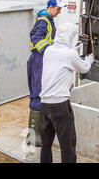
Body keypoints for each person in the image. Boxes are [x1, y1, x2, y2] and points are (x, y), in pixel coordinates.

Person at [39, 22, 94, 163]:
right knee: (67, 145)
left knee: (46, 144)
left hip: (45, 105)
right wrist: (90, 58)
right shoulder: (70, 54)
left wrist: (73, 50)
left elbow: (59, 63)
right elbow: (84, 68)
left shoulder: (48, 51)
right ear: (69, 36)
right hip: (60, 106)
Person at [26, 0, 64, 147]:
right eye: (58, 8)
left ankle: (39, 133)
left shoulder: (49, 19)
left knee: (41, 93)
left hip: (43, 60)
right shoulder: (43, 21)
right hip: (38, 61)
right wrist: (50, 50)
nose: (59, 11)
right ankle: (32, 137)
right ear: (50, 7)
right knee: (37, 94)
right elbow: (36, 39)